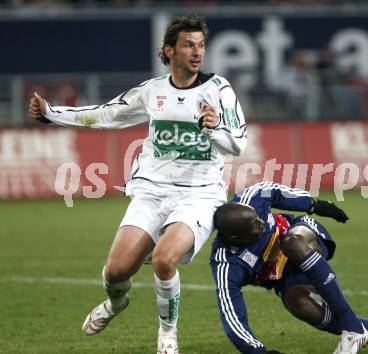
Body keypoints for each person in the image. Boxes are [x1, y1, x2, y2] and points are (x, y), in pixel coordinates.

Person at [28, 15, 247, 353]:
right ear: (169, 50)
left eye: (201, 45)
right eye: (189, 45)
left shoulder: (219, 90)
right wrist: (51, 114)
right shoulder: (152, 91)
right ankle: (116, 304)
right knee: (116, 272)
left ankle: (167, 335)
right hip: (152, 192)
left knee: (163, 259)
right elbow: (105, 114)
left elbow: (238, 144)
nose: (197, 52)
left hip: (200, 195)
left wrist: (214, 128)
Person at [210, 181, 368, 354]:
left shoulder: (251, 198)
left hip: (303, 236)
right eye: (254, 226)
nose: (261, 224)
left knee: (291, 241)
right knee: (297, 303)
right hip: (284, 275)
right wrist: (258, 352)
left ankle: (353, 329)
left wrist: (314, 205)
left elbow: (275, 191)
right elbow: (232, 315)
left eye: (258, 217)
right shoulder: (226, 263)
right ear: (235, 238)